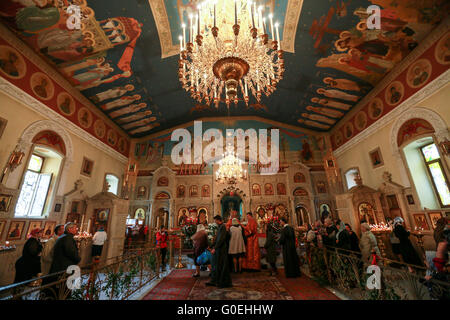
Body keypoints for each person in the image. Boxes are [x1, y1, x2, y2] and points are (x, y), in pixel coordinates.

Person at [42, 223, 81, 299]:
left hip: (61, 267)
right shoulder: (68, 239)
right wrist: (78, 259)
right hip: (64, 269)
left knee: (60, 290)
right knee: (64, 290)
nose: (76, 229)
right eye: (75, 228)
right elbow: (71, 253)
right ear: (70, 229)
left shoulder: (63, 237)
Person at [206, 215, 232, 288]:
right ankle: (214, 280)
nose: (214, 222)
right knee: (215, 265)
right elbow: (217, 239)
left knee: (221, 266)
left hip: (222, 250)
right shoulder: (220, 227)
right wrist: (211, 246)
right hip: (218, 249)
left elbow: (221, 239)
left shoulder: (223, 227)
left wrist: (215, 248)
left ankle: (222, 282)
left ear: (218, 220)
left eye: (215, 221)